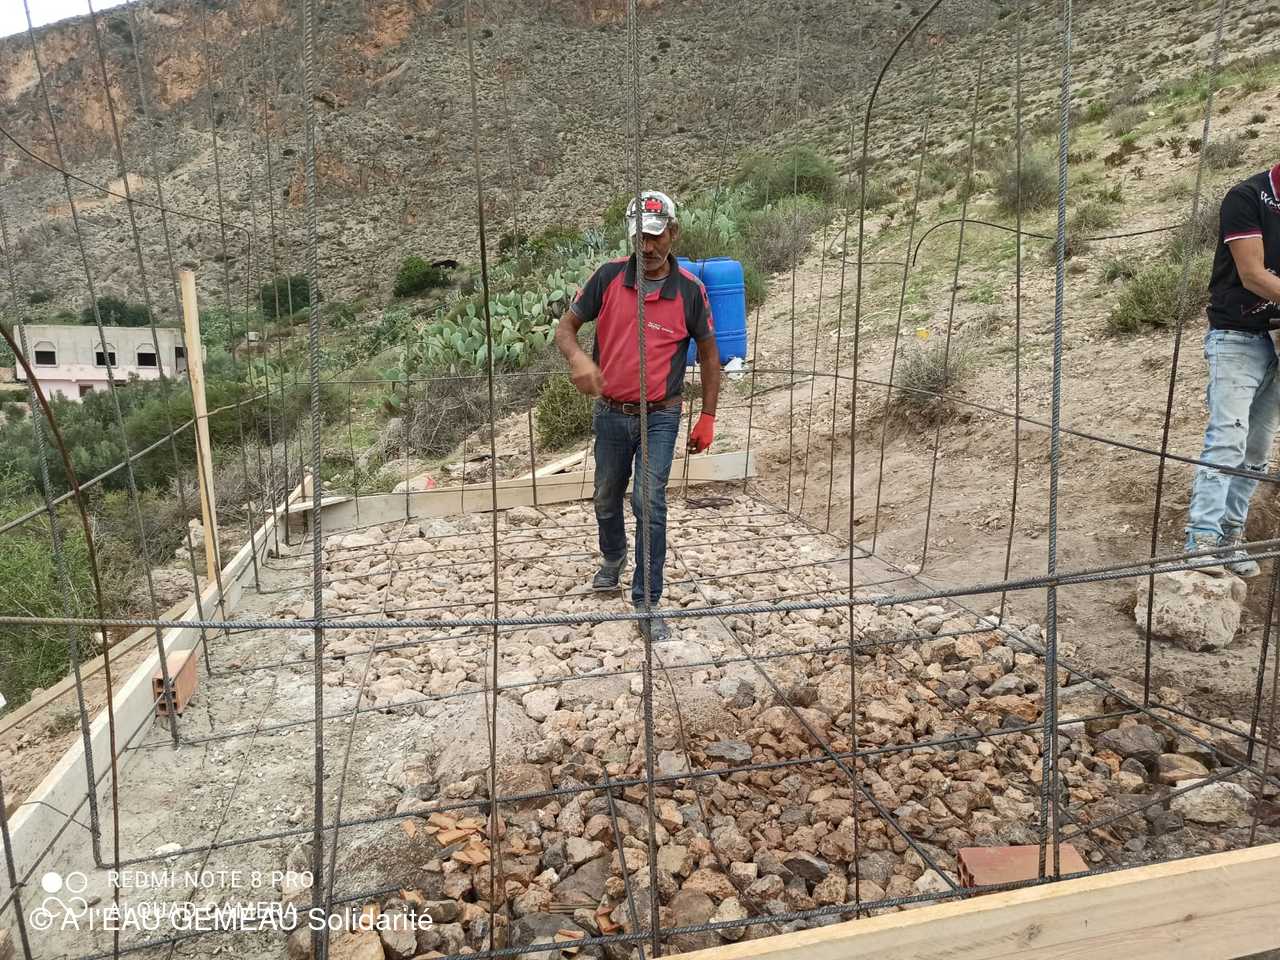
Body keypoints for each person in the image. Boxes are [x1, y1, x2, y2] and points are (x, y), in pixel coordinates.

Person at [554, 190, 721, 641]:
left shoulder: (690, 291)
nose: (646, 247)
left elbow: (709, 354)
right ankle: (613, 556)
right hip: (611, 412)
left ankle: (647, 602)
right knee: (606, 495)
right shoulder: (608, 277)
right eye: (638, 238)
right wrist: (578, 359)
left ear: (673, 232)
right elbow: (566, 328)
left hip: (661, 415)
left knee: (649, 501)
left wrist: (707, 415)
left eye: (654, 236)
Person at [1185, 161, 1280, 576]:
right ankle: (1201, 540)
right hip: (1238, 334)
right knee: (1228, 437)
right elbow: (1253, 274)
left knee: (1258, 448)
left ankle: (1229, 538)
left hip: (1279, 337)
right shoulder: (1247, 197)